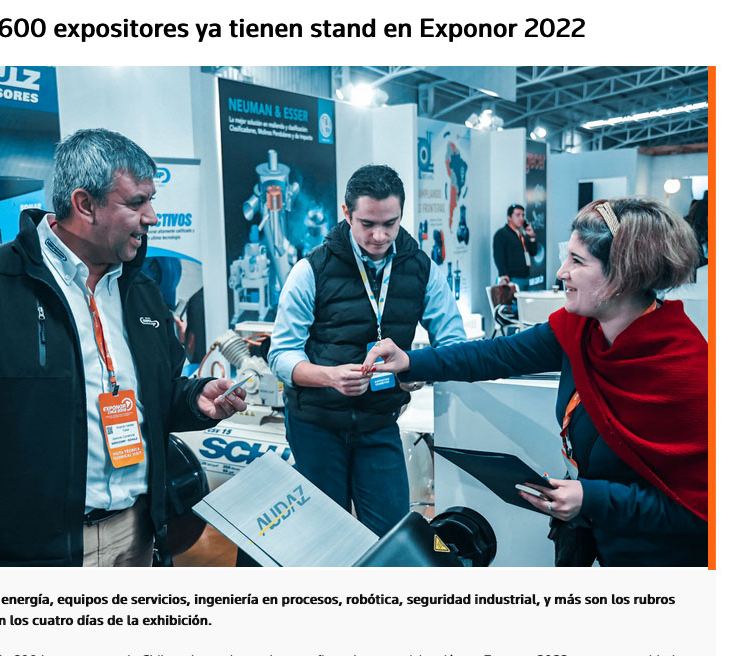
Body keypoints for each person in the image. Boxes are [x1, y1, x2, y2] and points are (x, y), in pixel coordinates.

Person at [0, 128, 246, 567]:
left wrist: (193, 399)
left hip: (135, 536)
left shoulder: (141, 294)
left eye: (151, 200)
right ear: (85, 204)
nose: (152, 217)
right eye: (136, 203)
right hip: (23, 553)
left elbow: (158, 396)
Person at [364, 197, 707, 567]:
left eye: (577, 261)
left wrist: (592, 498)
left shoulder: (685, 373)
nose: (561, 272)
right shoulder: (580, 330)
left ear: (624, 275)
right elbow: (494, 355)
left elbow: (701, 510)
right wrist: (411, 361)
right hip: (608, 548)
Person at [268, 164, 466, 538]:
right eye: (367, 224)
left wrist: (416, 369)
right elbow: (281, 356)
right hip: (316, 425)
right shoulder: (311, 270)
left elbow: (454, 344)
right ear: (347, 213)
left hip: (380, 422)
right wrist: (329, 377)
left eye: (390, 223)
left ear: (402, 213)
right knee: (325, 537)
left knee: (392, 534)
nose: (379, 235)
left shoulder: (421, 269)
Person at [493, 203, 538, 292]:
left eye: (523, 215)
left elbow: (533, 252)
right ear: (509, 217)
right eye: (518, 215)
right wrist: (503, 275)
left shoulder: (521, 235)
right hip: (512, 278)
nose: (521, 218)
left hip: (526, 276)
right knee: (513, 301)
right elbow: (498, 256)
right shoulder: (502, 233)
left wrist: (532, 237)